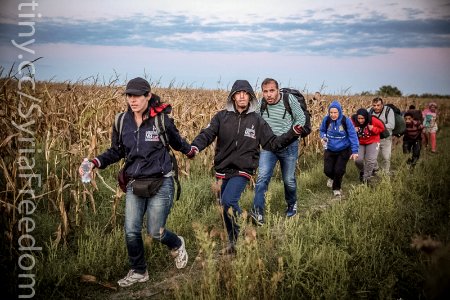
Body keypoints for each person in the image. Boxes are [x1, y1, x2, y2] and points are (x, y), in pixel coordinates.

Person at [78, 77, 196, 287]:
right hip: (134, 182)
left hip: (161, 181)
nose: (132, 100)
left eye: (137, 96)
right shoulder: (122, 121)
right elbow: (117, 151)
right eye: (129, 96)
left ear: (148, 96)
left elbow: (177, 142)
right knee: (131, 230)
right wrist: (95, 162)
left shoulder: (161, 120)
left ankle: (177, 243)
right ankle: (139, 271)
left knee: (155, 231)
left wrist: (189, 151)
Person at [189, 79, 302, 252]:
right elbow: (207, 134)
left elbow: (272, 143)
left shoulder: (257, 121)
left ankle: (242, 228)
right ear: (233, 96)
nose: (242, 96)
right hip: (222, 169)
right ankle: (234, 243)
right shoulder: (221, 117)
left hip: (243, 169)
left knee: (228, 201)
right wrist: (195, 146)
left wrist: (292, 134)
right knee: (223, 207)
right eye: (238, 93)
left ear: (250, 97)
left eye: (245, 93)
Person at [249, 78, 305, 225]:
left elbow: (301, 118)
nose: (269, 95)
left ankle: (292, 204)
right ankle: (258, 212)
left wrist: (292, 133)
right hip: (269, 148)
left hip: (289, 146)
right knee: (262, 179)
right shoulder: (260, 104)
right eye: (265, 91)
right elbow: (254, 123)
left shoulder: (289, 99)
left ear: (278, 90)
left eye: (272, 90)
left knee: (289, 179)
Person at [319, 100, 359, 197]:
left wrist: (355, 151)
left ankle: (336, 189)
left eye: (335, 112)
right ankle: (332, 178)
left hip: (344, 149)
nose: (333, 115)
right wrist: (323, 137)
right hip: (330, 148)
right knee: (327, 170)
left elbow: (353, 135)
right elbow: (322, 130)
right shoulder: (326, 120)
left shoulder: (346, 121)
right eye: (331, 112)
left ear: (339, 112)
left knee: (338, 170)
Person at [352, 108, 385, 183]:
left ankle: (366, 179)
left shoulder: (372, 120)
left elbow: (382, 128)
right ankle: (363, 171)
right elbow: (348, 129)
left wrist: (373, 128)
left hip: (373, 141)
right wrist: (353, 130)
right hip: (360, 142)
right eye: (359, 118)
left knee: (370, 160)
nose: (360, 120)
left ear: (366, 117)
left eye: (362, 118)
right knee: (358, 160)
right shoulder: (353, 120)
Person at [368, 97, 395, 175]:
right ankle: (376, 170)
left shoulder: (388, 111)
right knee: (372, 157)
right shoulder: (369, 111)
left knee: (386, 158)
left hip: (386, 138)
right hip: (374, 138)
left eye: (378, 105)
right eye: (374, 105)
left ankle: (385, 175)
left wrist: (376, 127)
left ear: (382, 105)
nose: (376, 107)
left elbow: (391, 125)